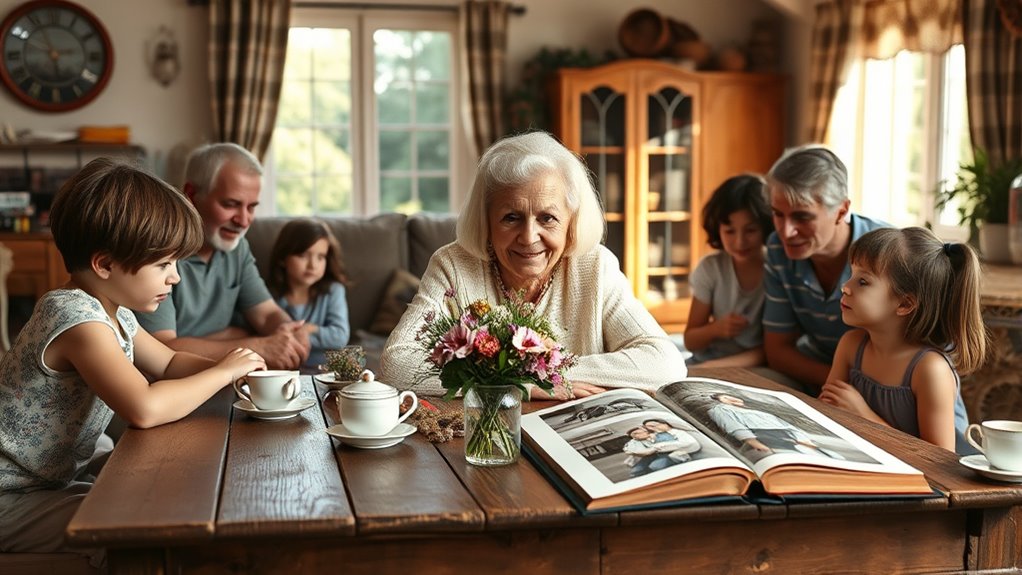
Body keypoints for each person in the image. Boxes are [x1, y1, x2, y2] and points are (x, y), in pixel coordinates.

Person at [0, 159, 266, 565]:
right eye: (163, 264)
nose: (174, 277)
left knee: (166, 479)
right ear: (105, 264)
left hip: (50, 477)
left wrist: (239, 374)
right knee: (135, 524)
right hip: (11, 495)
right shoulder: (76, 319)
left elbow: (170, 362)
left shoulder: (116, 312)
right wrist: (222, 371)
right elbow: (143, 407)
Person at [381, 131, 687, 399]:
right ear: (486, 221)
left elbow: (665, 364)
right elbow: (397, 364)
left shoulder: (595, 268)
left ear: (571, 221)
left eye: (547, 218)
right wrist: (520, 384)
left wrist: (551, 370)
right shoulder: (453, 266)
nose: (529, 237)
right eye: (511, 217)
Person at [135, 143, 310, 370]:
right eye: (231, 204)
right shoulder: (159, 251)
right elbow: (161, 348)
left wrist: (291, 332)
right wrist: (254, 345)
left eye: (251, 207)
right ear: (191, 194)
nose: (244, 220)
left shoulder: (238, 248)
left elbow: (266, 315)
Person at [820, 227, 987, 454]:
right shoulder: (851, 345)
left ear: (905, 304)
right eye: (851, 275)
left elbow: (938, 459)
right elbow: (826, 414)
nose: (845, 287)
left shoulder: (929, 369)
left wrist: (864, 416)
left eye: (863, 282)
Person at [762, 144, 888, 390]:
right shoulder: (777, 249)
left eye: (802, 217)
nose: (786, 232)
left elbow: (921, 361)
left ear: (841, 211)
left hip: (887, 390)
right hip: (828, 382)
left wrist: (850, 392)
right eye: (778, 214)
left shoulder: (890, 253)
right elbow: (778, 351)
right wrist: (836, 385)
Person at [684, 174, 773, 366]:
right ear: (718, 229)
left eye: (750, 230)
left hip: (749, 366)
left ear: (766, 227)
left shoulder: (775, 270)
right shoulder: (711, 268)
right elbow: (690, 340)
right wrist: (715, 329)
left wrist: (711, 368)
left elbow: (771, 350)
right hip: (705, 362)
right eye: (730, 231)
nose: (740, 242)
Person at [267, 218, 351, 368]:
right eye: (303, 255)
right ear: (282, 258)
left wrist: (306, 331)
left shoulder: (333, 291)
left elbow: (340, 336)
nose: (313, 265)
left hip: (323, 372)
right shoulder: (268, 296)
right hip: (282, 370)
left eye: (321, 257)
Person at [707, 393, 832, 461]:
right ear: (720, 401)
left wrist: (803, 439)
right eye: (726, 398)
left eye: (731, 396)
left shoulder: (755, 410)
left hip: (788, 435)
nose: (732, 399)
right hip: (762, 436)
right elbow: (734, 427)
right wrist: (755, 443)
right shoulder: (720, 409)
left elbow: (784, 424)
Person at [622, 424, 697, 477]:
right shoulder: (634, 442)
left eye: (640, 432)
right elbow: (633, 450)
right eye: (635, 434)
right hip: (650, 455)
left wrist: (655, 446)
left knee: (655, 466)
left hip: (667, 453)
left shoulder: (661, 435)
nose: (639, 434)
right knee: (636, 471)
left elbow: (671, 444)